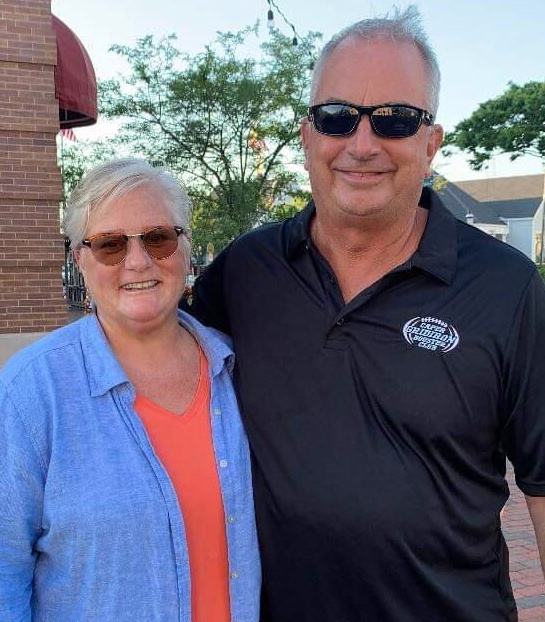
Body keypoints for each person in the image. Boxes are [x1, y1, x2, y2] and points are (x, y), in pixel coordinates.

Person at [183, 6, 545, 622]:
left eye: (395, 119)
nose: (362, 143)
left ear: (431, 143)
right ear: (307, 136)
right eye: (337, 117)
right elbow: (151, 362)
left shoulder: (506, 288)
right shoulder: (247, 271)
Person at [0, 158, 260, 622]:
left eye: (158, 238)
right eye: (110, 245)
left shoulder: (241, 370)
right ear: (79, 259)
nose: (138, 261)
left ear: (186, 246)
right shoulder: (31, 393)